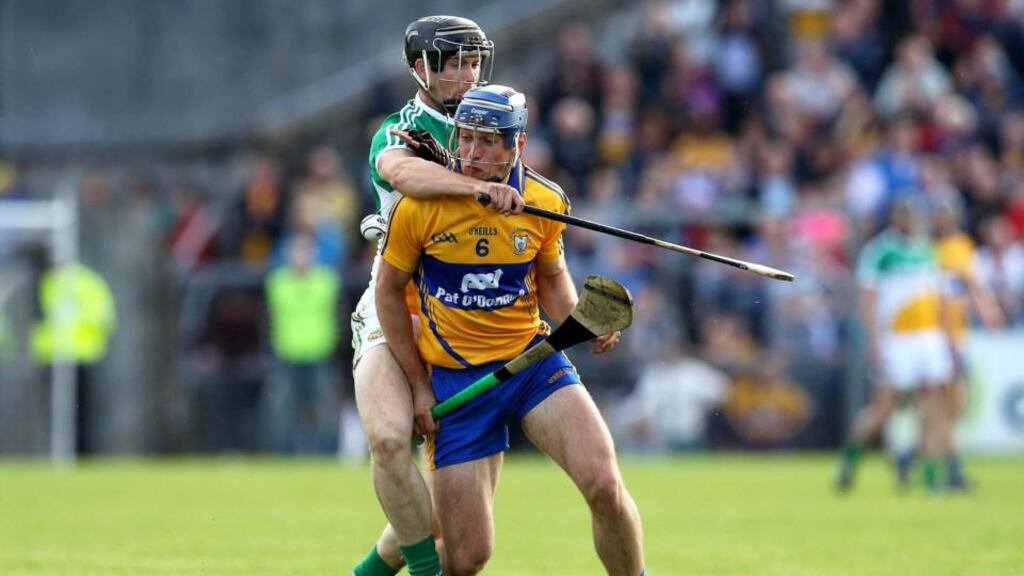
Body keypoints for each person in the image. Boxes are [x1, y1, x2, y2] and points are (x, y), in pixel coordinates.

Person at [378, 85, 646, 575]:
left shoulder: (544, 199)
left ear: (516, 145)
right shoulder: (419, 206)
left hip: (532, 364)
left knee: (605, 486)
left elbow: (551, 279)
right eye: (465, 139)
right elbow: (387, 294)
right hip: (458, 382)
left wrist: (580, 321)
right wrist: (418, 386)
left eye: (488, 142)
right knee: (466, 559)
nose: (472, 154)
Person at [351, 16, 524, 576]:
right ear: (420, 68)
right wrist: (477, 186)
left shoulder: (500, 126)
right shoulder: (400, 128)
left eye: (473, 61)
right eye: (452, 62)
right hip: (394, 303)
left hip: (471, 317)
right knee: (386, 440)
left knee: (461, 533)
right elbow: (400, 174)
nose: (467, 75)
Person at [836, 200, 955, 492]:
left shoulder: (926, 250)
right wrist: (873, 341)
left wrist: (948, 339)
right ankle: (849, 461)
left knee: (935, 405)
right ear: (894, 218)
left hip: (929, 338)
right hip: (896, 340)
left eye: (913, 215)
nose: (910, 221)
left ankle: (929, 476)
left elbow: (939, 299)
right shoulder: (879, 252)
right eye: (904, 215)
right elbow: (868, 300)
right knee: (884, 407)